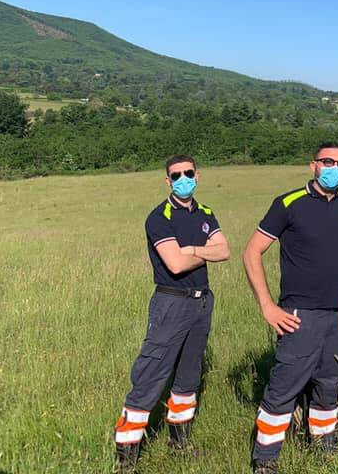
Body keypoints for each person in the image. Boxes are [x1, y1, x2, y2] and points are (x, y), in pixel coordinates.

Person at [242, 142, 338, 474]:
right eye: (328, 162)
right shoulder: (288, 204)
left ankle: (324, 445)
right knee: (286, 384)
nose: (335, 169)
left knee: (329, 383)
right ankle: (265, 459)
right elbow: (252, 252)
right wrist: (267, 305)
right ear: (313, 165)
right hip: (300, 314)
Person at [112, 155, 230, 472]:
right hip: (171, 302)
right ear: (167, 180)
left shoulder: (206, 214)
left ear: (197, 175)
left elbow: (225, 250)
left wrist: (191, 250)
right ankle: (126, 458)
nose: (183, 178)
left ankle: (179, 444)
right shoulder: (159, 217)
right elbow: (175, 264)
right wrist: (199, 253)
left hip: (202, 302)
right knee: (151, 374)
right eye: (176, 175)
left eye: (188, 173)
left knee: (189, 375)